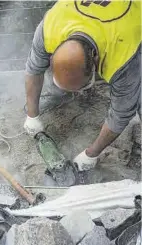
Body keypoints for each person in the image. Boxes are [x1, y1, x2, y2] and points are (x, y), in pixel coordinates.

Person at [24, 0, 141, 172]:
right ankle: (60, 91)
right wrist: (32, 115)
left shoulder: (123, 57)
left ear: (95, 58)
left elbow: (121, 114)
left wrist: (91, 154)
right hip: (99, 26)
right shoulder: (50, 27)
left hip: (132, 25)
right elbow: (34, 69)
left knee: (136, 97)